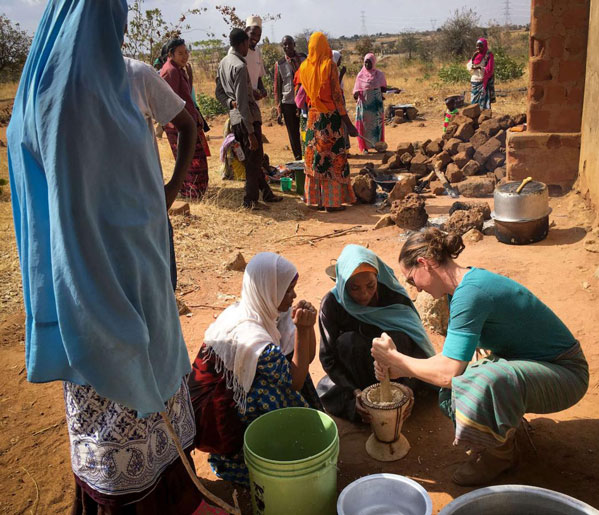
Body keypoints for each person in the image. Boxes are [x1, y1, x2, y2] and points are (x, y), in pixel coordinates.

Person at [7, 1, 213, 511]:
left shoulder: (129, 78)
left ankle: (153, 478)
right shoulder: (44, 92)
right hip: (84, 265)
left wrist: (167, 192)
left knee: (140, 362)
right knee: (109, 375)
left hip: (128, 260)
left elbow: (187, 125)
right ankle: (117, 488)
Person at [371, 229, 589, 486]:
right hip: (540, 366)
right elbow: (451, 362)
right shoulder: (462, 289)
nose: (415, 287)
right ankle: (504, 431)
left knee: (483, 380)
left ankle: (499, 458)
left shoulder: (471, 293)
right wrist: (401, 369)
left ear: (424, 263)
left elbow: (446, 372)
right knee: (464, 380)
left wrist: (395, 359)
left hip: (566, 374)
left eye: (411, 279)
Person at [188, 252, 321, 486]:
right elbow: (295, 381)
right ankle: (239, 459)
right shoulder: (249, 334)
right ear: (269, 289)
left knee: (284, 369)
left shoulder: (267, 311)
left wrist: (306, 329)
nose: (294, 295)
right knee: (274, 393)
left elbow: (305, 360)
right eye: (287, 290)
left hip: (230, 397)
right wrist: (303, 329)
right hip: (212, 416)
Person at [316, 245, 435, 422]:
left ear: (378, 278)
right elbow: (329, 357)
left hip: (398, 374)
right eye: (354, 288)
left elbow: (416, 344)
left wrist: (408, 387)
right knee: (347, 342)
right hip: (356, 375)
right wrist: (355, 392)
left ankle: (399, 395)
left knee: (398, 338)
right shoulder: (332, 304)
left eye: (370, 285)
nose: (364, 294)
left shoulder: (393, 297)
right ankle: (364, 402)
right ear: (342, 284)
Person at [124, 55, 196, 290]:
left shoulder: (136, 75)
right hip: (97, 223)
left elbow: (186, 123)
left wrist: (173, 188)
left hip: (146, 213)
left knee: (160, 293)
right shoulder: (65, 78)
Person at [294, 32, 359, 212]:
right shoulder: (329, 65)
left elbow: (302, 94)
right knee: (333, 158)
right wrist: (349, 124)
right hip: (330, 120)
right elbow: (337, 98)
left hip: (312, 119)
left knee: (315, 159)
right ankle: (332, 203)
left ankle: (317, 201)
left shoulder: (304, 66)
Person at [218, 28, 282, 209]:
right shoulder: (239, 67)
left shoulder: (223, 63)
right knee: (254, 161)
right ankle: (251, 200)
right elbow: (243, 103)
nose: (249, 47)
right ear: (242, 44)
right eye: (247, 43)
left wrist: (231, 103)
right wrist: (251, 132)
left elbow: (220, 93)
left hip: (236, 119)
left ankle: (267, 193)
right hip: (248, 120)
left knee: (252, 160)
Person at [160, 38, 211, 199]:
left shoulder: (179, 69)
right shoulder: (171, 71)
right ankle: (190, 192)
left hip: (188, 119)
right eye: (180, 53)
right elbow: (170, 99)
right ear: (171, 54)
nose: (184, 56)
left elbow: (186, 94)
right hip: (178, 123)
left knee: (194, 157)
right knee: (189, 157)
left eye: (186, 52)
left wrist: (196, 114)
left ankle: (193, 191)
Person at [353, 53, 396, 153]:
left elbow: (383, 88)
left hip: (376, 104)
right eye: (365, 62)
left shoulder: (379, 74)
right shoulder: (360, 75)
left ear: (374, 62)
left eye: (369, 62)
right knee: (365, 125)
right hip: (365, 105)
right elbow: (356, 90)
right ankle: (365, 147)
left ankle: (379, 145)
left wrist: (394, 90)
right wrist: (355, 94)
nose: (367, 64)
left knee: (378, 125)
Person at [274, 35, 307, 160]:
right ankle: (298, 160)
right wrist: (279, 110)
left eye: (289, 43)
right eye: (284, 45)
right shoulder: (280, 64)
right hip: (288, 103)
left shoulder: (304, 59)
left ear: (294, 44)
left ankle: (308, 158)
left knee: (306, 131)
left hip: (304, 102)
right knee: (293, 134)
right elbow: (277, 88)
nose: (287, 46)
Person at [467, 38, 495, 110]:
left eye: (480, 46)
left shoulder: (488, 55)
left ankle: (484, 117)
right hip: (474, 81)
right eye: (477, 46)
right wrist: (473, 67)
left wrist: (481, 68)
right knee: (474, 102)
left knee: (484, 103)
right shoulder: (476, 55)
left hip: (483, 81)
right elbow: (469, 65)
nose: (478, 48)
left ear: (484, 46)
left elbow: (490, 69)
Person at [245, 16, 268, 101]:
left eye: (259, 35)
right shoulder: (236, 50)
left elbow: (258, 77)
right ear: (246, 32)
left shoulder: (257, 50)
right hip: (240, 103)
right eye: (253, 34)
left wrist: (262, 89)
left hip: (254, 103)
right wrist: (250, 92)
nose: (256, 38)